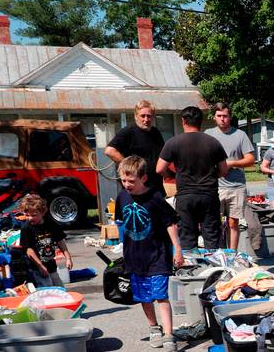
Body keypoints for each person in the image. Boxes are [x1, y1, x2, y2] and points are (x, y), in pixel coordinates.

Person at [116, 155, 185, 352]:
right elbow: (121, 222)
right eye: (124, 180)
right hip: (134, 257)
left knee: (161, 296)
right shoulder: (122, 197)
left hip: (158, 255)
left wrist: (177, 249)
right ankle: (154, 327)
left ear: (143, 178)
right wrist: (121, 248)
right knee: (144, 297)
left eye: (132, 181)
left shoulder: (155, 197)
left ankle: (169, 335)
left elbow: (170, 223)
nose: (127, 185)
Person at [157, 106, 229, 250]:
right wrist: (211, 175)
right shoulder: (212, 142)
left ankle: (190, 268)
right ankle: (214, 269)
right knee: (212, 236)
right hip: (209, 195)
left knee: (187, 236)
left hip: (186, 196)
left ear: (183, 121)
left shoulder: (173, 142)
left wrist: (173, 176)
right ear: (200, 122)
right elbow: (224, 170)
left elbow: (159, 169)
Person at [205, 103, 261, 253]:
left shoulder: (240, 135)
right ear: (214, 117)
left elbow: (250, 160)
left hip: (236, 185)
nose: (222, 119)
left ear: (230, 117)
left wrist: (232, 163)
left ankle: (232, 255)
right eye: (219, 116)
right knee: (213, 223)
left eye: (225, 116)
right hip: (214, 185)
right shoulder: (208, 134)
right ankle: (215, 253)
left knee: (232, 223)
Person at [105, 100, 165, 195]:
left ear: (153, 117)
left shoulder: (155, 133)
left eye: (149, 116)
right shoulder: (128, 132)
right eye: (142, 116)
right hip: (137, 188)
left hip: (156, 186)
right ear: (136, 116)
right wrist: (130, 167)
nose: (146, 119)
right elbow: (110, 150)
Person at [17, 193, 72, 287]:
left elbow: (60, 241)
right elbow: (28, 249)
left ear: (42, 212)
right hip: (36, 267)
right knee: (48, 289)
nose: (30, 218)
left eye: (34, 215)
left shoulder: (51, 224)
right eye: (27, 215)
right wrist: (40, 266)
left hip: (51, 265)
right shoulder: (26, 228)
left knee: (60, 287)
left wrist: (68, 258)